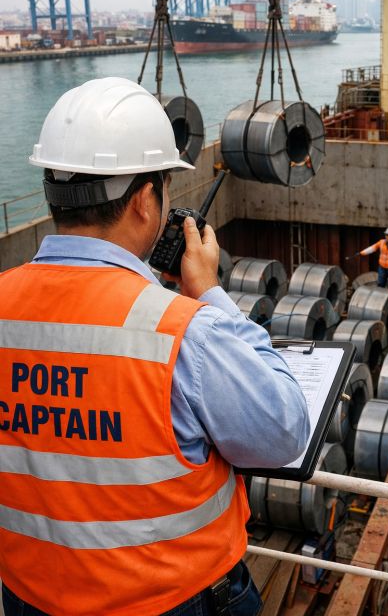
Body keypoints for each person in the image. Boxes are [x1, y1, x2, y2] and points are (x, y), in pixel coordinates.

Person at [0, 77, 310, 616]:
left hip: (31, 598)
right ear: (146, 201)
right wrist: (208, 293)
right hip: (173, 602)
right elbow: (284, 431)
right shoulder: (184, 331)